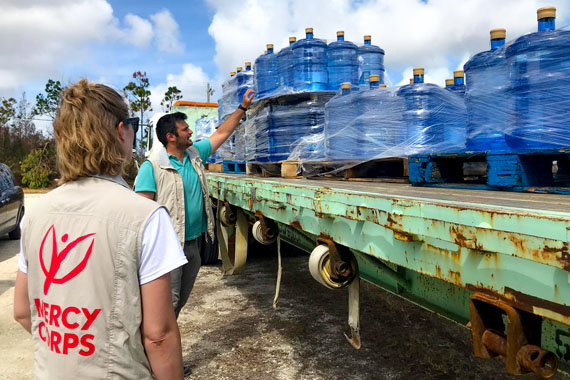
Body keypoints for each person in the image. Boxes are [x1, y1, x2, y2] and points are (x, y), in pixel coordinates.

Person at [13, 79, 187, 380]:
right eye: (132, 124)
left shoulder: (34, 215)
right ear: (121, 131)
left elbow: (23, 311)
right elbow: (158, 336)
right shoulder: (146, 217)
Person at [135, 89, 255, 318]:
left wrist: (242, 109)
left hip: (192, 245)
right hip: (167, 248)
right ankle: (157, 347)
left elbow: (221, 133)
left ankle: (161, 342)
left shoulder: (194, 154)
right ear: (170, 136)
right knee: (167, 304)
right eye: (184, 129)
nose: (190, 131)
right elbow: (139, 215)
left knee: (179, 302)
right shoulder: (151, 167)